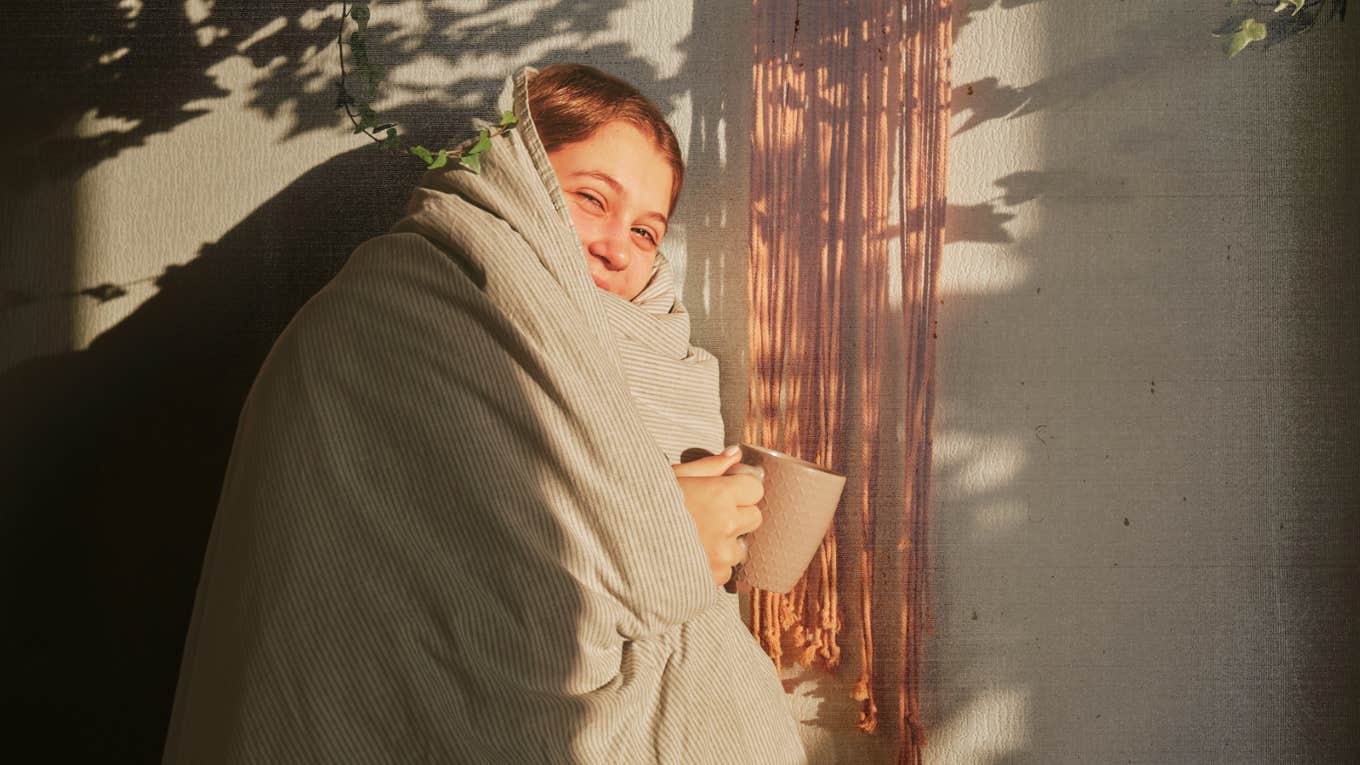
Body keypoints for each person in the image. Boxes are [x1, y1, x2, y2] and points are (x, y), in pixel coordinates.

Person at [162, 64, 806, 763]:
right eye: (592, 198)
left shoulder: (660, 360)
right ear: (518, 178)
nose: (618, 246)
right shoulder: (395, 313)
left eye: (648, 232)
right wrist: (666, 540)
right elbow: (443, 596)